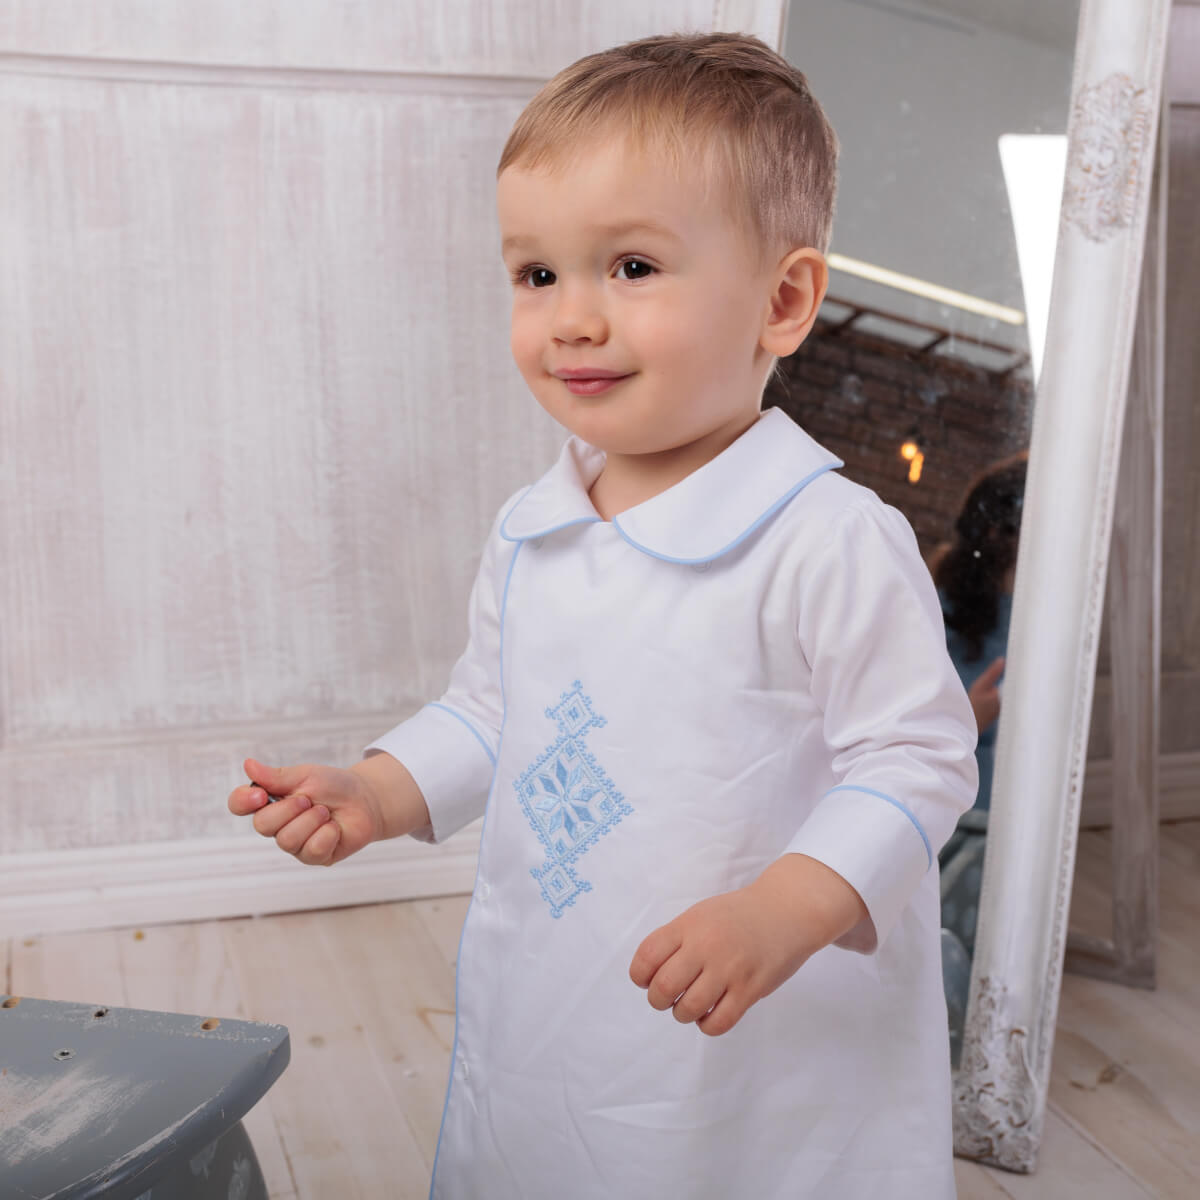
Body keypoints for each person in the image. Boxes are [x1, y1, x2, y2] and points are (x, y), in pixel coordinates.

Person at [228, 33, 977, 1199]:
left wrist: (787, 906)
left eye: (630, 267)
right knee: (554, 1144)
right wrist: (380, 790)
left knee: (729, 1157)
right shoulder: (538, 525)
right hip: (564, 984)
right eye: (537, 275)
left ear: (783, 301)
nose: (572, 318)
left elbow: (919, 755)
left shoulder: (824, 539)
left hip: (757, 1010)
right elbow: (493, 710)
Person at [928, 453, 1026, 1064]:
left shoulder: (1051, 620)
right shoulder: (934, 611)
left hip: (1011, 818)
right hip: (953, 814)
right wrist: (970, 717)